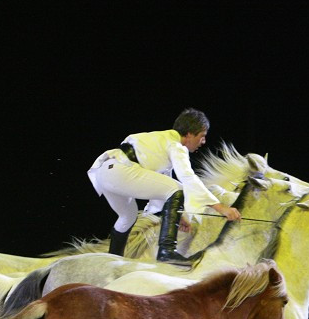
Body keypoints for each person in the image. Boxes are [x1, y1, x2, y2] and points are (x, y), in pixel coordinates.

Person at [87, 107, 241, 264]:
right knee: (178, 188)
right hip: (120, 171)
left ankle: (113, 260)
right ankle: (167, 251)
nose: (203, 141)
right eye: (202, 136)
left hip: (105, 172)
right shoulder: (176, 146)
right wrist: (220, 207)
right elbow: (187, 178)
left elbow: (162, 188)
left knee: (128, 216)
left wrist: (177, 215)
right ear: (188, 134)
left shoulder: (161, 141)